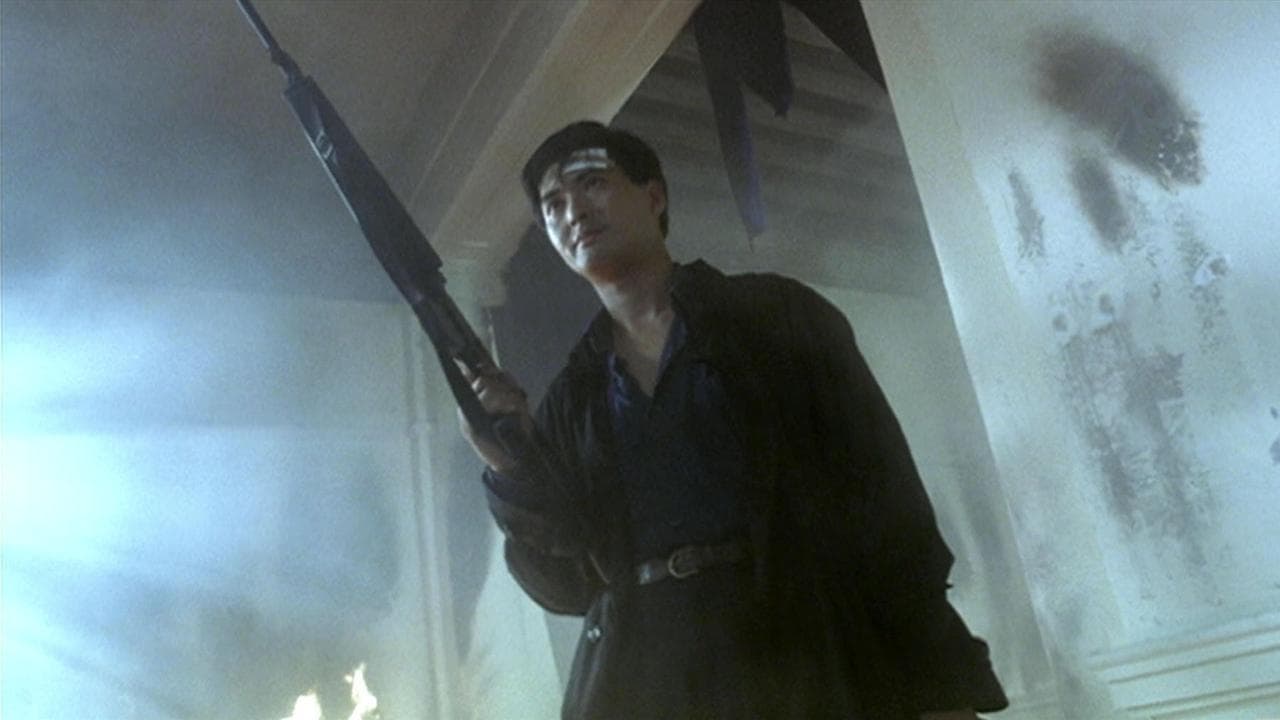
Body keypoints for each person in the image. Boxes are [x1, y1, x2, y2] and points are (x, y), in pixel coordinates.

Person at [457, 121, 1007, 720]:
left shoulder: (775, 316)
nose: (574, 212)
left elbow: (885, 500)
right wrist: (513, 470)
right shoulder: (574, 397)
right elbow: (567, 587)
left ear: (654, 196)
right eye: (553, 205)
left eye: (592, 183)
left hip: (799, 661)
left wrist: (941, 687)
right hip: (653, 684)